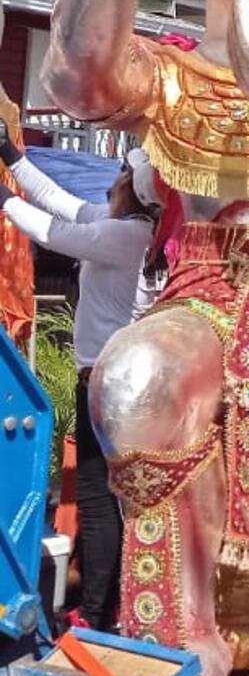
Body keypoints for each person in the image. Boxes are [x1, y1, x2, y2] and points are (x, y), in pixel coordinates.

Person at [0, 133, 161, 632]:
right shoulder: (123, 226)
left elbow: (51, 231)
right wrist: (9, 156)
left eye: (121, 173)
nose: (112, 178)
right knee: (107, 497)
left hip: (113, 383)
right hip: (111, 380)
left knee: (97, 498)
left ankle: (97, 615)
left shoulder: (128, 236)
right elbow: (57, 201)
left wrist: (2, 198)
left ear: (133, 189)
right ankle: (104, 608)